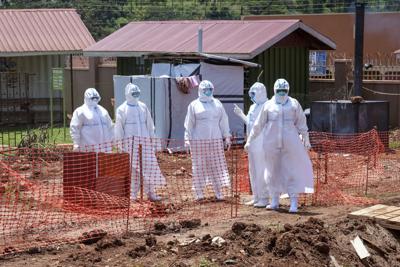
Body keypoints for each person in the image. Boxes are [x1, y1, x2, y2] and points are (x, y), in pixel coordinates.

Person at [244, 78, 313, 213]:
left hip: (290, 144)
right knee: (271, 170)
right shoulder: (268, 105)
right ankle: (274, 200)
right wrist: (250, 140)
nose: (282, 93)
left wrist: (306, 139)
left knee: (291, 170)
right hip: (271, 144)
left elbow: (302, 123)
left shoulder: (293, 104)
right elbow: (258, 125)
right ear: (275, 90)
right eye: (279, 90)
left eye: (284, 90)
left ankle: (294, 202)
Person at [114, 83, 166, 201]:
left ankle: (151, 193)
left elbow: (150, 125)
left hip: (146, 144)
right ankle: (132, 195)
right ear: (128, 94)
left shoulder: (143, 106)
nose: (136, 95)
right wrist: (121, 145)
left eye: (137, 93)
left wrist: (153, 141)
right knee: (134, 170)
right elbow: (119, 129)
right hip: (130, 145)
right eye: (133, 93)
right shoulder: (122, 109)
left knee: (150, 167)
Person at [184, 80, 231, 201]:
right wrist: (187, 139)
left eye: (210, 90)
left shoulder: (217, 104)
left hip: (215, 141)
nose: (208, 92)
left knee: (216, 165)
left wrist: (227, 136)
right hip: (199, 141)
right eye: (205, 90)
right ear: (200, 90)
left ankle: (218, 192)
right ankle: (199, 193)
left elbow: (224, 121)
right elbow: (189, 124)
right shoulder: (194, 105)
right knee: (199, 166)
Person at [234, 82, 269, 208]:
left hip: (262, 143)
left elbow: (262, 126)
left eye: (254, 93)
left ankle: (264, 197)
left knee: (261, 170)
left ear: (260, 93)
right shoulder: (253, 107)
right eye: (251, 94)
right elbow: (250, 124)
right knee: (253, 170)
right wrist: (241, 115)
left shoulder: (267, 106)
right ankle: (256, 196)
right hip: (252, 143)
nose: (252, 96)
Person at [70, 88, 113, 152]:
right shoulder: (80, 111)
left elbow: (110, 126)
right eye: (92, 98)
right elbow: (75, 128)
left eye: (96, 98)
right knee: (90, 162)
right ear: (87, 98)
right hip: (88, 149)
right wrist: (76, 143)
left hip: (105, 149)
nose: (94, 100)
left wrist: (113, 140)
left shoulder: (103, 111)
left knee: (103, 161)